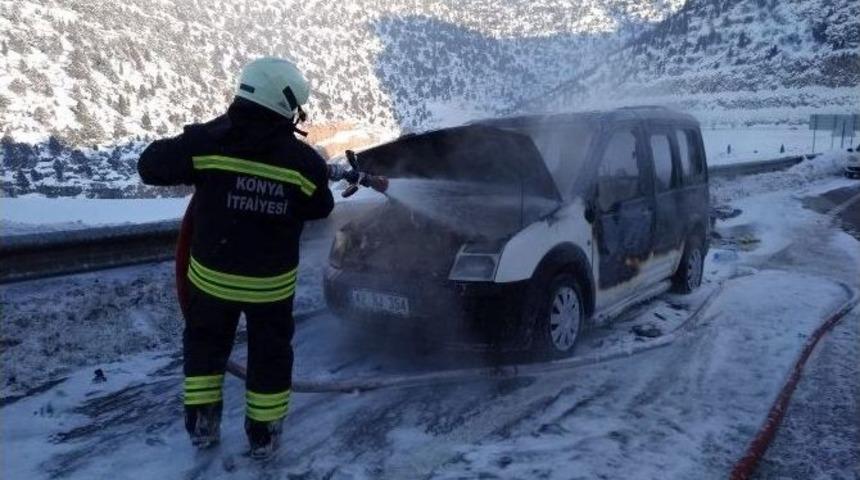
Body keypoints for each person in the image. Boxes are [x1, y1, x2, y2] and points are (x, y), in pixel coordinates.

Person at [138, 57, 352, 459]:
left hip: (211, 279)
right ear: (285, 103)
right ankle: (264, 435)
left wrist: (201, 142)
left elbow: (149, 166)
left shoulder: (206, 143)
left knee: (205, 349)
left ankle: (203, 423)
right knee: (269, 357)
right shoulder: (303, 162)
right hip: (270, 288)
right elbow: (320, 207)